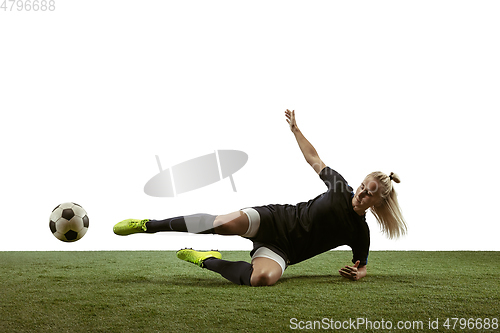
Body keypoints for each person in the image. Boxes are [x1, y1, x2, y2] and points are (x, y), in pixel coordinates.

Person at [113, 110, 407, 286]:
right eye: (363, 187)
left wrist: (359, 273)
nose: (362, 194)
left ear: (378, 203)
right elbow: (314, 159)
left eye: (370, 195)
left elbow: (363, 264)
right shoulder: (339, 186)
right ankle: (148, 225)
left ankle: (206, 259)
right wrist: (296, 129)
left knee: (262, 280)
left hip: (284, 250)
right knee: (223, 223)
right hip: (273, 219)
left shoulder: (360, 232)